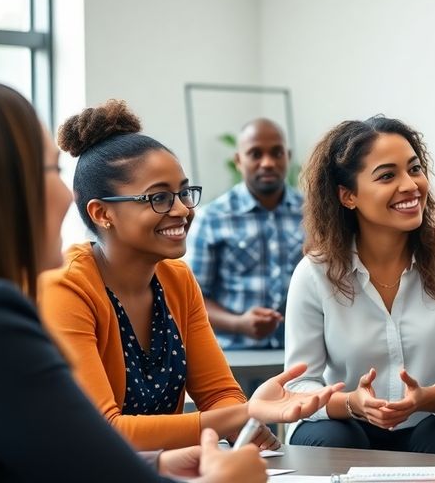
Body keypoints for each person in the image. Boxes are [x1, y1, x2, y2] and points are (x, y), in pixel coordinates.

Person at [0, 77, 288, 482]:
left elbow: (62, 457)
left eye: (182, 193)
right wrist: (236, 447)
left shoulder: (175, 278)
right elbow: (93, 443)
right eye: (49, 170)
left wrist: (158, 461)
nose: (62, 192)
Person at [39, 100, 340, 451]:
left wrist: (256, 442)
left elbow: (219, 394)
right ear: (102, 213)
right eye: (160, 198)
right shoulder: (66, 287)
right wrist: (247, 413)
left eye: (183, 193)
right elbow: (106, 432)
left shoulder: (177, 279)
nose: (183, 209)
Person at [284, 116, 435, 455]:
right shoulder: (314, 273)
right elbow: (298, 385)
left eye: (414, 169)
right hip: (343, 424)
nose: (410, 185)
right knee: (335, 440)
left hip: (428, 421)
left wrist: (426, 398)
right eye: (387, 176)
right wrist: (351, 403)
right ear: (348, 196)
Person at [188, 118, 304, 350]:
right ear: (239, 161)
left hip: (300, 354)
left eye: (276, 153)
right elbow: (192, 300)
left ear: (288, 157)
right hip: (234, 356)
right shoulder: (212, 218)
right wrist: (238, 323)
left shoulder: (313, 215)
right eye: (255, 154)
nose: (268, 163)